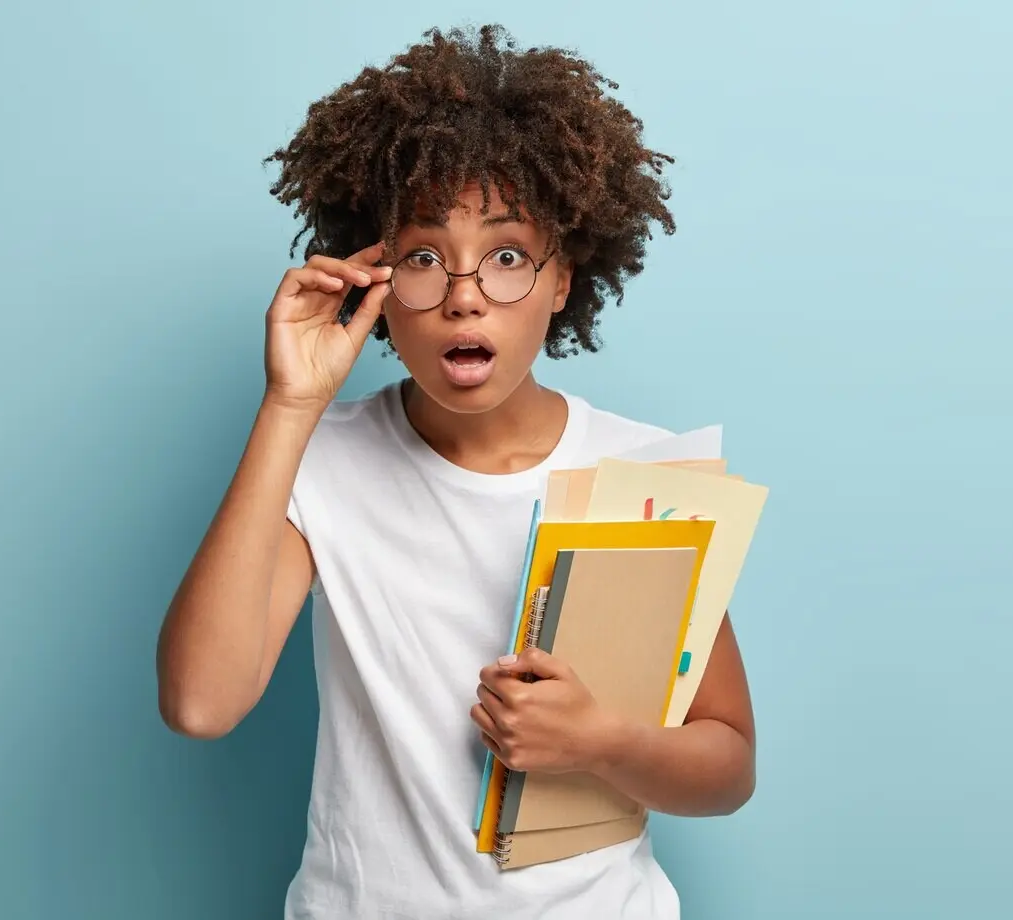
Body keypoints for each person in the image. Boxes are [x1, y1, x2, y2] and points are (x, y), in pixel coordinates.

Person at [155, 24, 756, 920]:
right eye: (425, 257)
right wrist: (290, 406)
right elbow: (200, 703)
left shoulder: (641, 471)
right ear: (375, 281)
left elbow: (728, 766)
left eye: (508, 255)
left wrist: (600, 741)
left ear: (563, 279)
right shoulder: (320, 463)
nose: (465, 292)